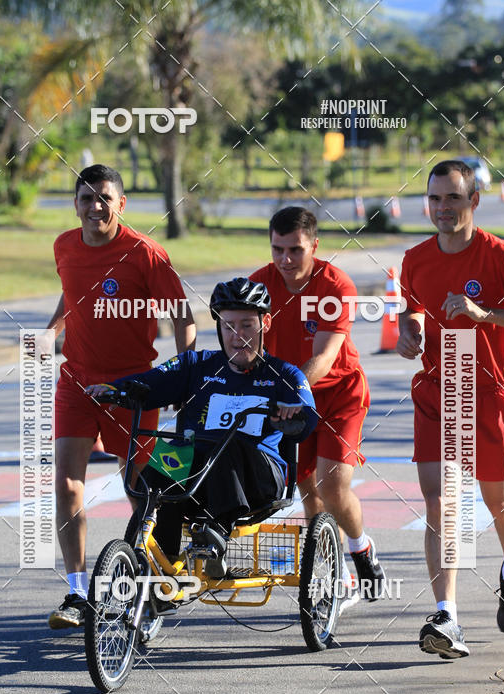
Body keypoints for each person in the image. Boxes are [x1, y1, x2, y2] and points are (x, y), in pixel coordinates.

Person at [398, 159, 504, 659]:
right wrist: (408, 331)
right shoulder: (416, 259)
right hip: (438, 388)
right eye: (435, 198)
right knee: (440, 501)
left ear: (474, 201)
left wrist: (487, 315)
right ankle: (447, 616)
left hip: (489, 391)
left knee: (498, 501)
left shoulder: (501, 256)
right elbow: (410, 308)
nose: (442, 208)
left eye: (453, 198)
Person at [87, 278, 318, 580]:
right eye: (228, 326)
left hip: (258, 481)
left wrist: (292, 413)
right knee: (164, 464)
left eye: (247, 325)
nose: (238, 336)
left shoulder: (284, 375)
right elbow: (150, 382)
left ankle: (216, 535)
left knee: (227, 441)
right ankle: (162, 565)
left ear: (265, 323)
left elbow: (307, 417)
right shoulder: (197, 365)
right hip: (199, 476)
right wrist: (115, 389)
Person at [47, 164, 196, 629]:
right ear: (75, 204)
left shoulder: (145, 254)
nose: (96, 207)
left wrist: (183, 377)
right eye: (86, 198)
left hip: (133, 388)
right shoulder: (64, 246)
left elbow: (182, 315)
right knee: (66, 483)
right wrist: (50, 332)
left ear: (121, 204)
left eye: (104, 198)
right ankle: (77, 593)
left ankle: (154, 581)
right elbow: (72, 294)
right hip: (76, 382)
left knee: (139, 490)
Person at [250, 207, 385, 600]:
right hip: (289, 400)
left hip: (338, 392)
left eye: (295, 250)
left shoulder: (336, 285)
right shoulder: (258, 286)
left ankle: (360, 546)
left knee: (333, 484)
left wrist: (290, 391)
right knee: (308, 489)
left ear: (314, 246)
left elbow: (325, 357)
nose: (285, 259)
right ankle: (338, 572)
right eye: (277, 249)